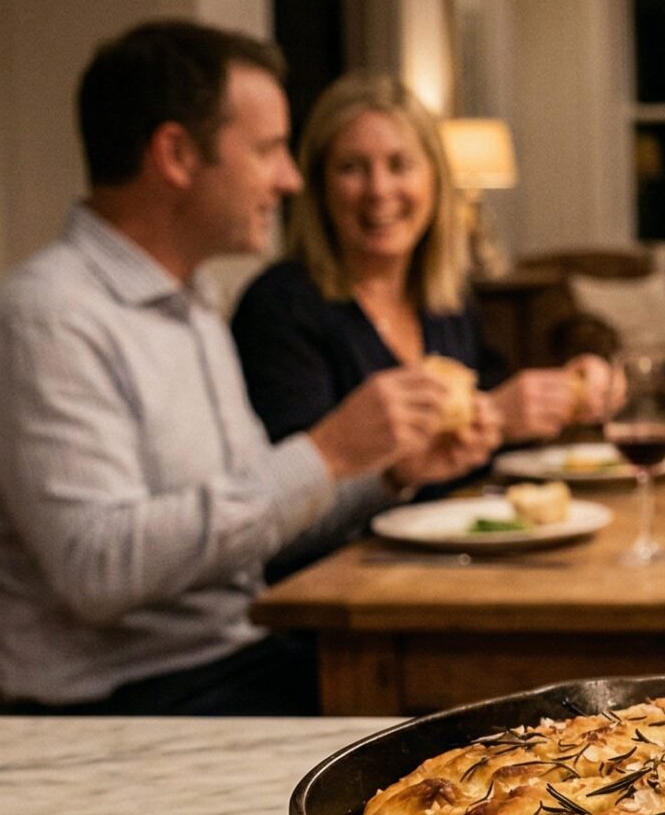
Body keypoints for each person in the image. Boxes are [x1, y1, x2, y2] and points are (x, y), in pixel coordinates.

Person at [0, 21, 494, 716]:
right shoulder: (44, 320)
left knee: (498, 714)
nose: (291, 178)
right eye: (267, 150)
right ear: (175, 153)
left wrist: (390, 472)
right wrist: (325, 451)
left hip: (241, 657)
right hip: (129, 709)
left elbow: (258, 527)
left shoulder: (192, 302)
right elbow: (96, 569)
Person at [230, 72, 619, 566]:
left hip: (455, 569)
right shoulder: (280, 307)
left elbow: (497, 433)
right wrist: (489, 419)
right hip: (343, 591)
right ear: (318, 187)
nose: (379, 190)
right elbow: (287, 516)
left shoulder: (445, 300)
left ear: (435, 179)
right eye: (352, 168)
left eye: (400, 165)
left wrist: (567, 394)